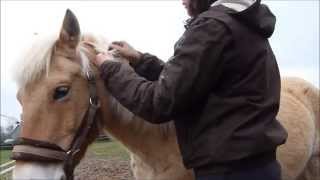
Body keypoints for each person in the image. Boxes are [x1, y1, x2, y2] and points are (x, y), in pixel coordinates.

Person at [90, 0, 288, 179]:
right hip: (259, 166)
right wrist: (141, 60)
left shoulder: (213, 27)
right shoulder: (241, 24)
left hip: (227, 172)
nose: (182, 1)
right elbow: (189, 82)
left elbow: (160, 103)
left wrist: (111, 68)